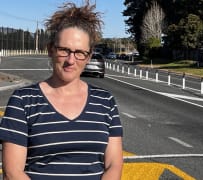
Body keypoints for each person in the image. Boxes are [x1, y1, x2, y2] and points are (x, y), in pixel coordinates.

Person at [0, 1, 123, 180]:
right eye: (64, 50)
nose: (71, 60)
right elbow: (13, 172)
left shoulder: (105, 101)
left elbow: (114, 165)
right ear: (50, 49)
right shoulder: (23, 101)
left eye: (80, 52)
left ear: (88, 57)